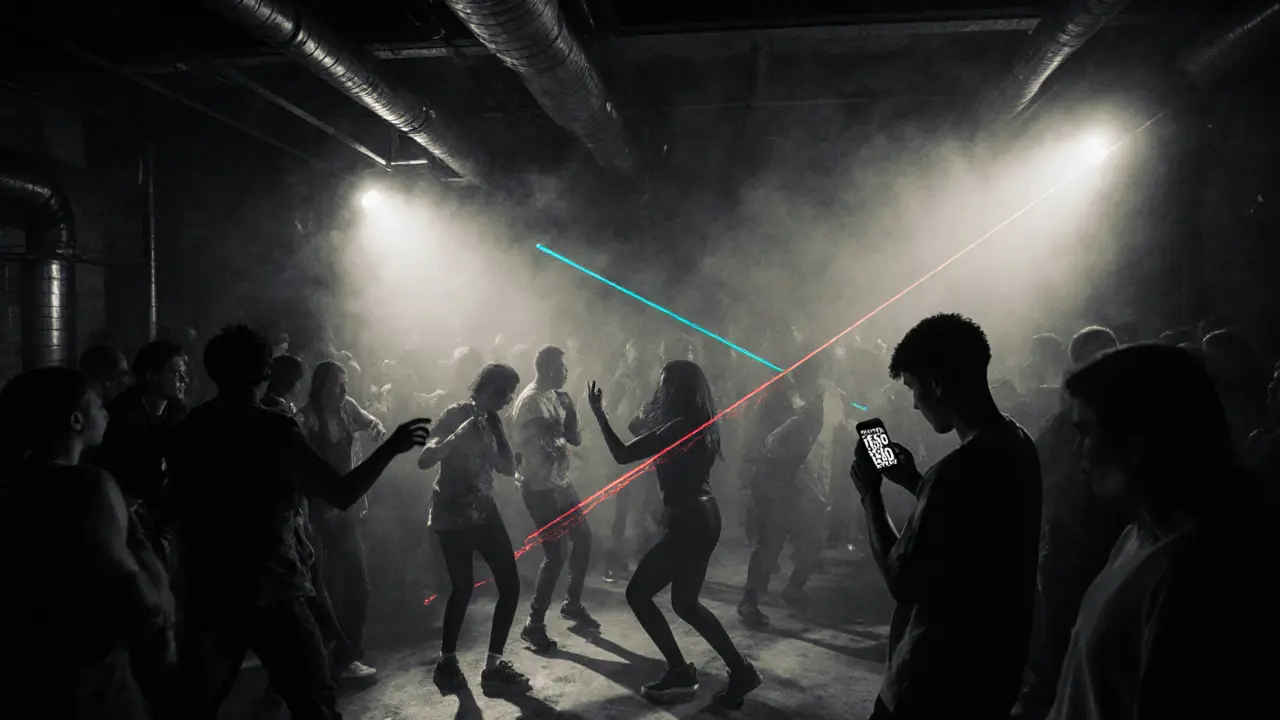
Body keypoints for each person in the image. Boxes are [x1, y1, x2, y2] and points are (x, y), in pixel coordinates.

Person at [168, 325, 429, 720]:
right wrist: (391, 447)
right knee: (314, 702)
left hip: (209, 587)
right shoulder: (272, 428)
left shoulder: (190, 427)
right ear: (264, 372)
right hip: (270, 585)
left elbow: (175, 504)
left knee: (194, 706)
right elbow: (339, 493)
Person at [1047, 344, 1272, 718]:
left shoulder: (1196, 573)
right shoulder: (1137, 536)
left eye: (1087, 431)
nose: (1078, 448)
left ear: (1136, 443)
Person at [850, 313, 1041, 719]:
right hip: (993, 671)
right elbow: (971, 525)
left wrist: (871, 495)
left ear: (936, 383)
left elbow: (902, 580)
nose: (915, 402)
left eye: (914, 388)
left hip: (931, 680)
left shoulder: (955, 470)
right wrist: (914, 481)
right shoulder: (1018, 442)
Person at [0, 367, 173, 720]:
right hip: (91, 675)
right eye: (98, 407)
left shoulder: (16, 483)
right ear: (76, 420)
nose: (107, 412)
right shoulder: (87, 486)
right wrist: (160, 639)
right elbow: (123, 578)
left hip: (26, 668)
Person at [587, 360, 762, 708]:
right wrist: (648, 405)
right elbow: (641, 427)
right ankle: (741, 671)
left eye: (664, 384)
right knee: (685, 603)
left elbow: (623, 453)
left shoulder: (679, 427)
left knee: (638, 593)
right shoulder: (698, 423)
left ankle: (680, 671)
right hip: (703, 516)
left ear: (677, 389)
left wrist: (599, 413)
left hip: (689, 523)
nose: (659, 388)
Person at [1015, 326, 1126, 719]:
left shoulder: (1085, 418)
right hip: (1069, 545)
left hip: (1090, 545)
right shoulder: (1066, 419)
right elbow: (1043, 475)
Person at [419, 362, 531, 697]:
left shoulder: (494, 420)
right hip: (452, 515)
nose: (508, 401)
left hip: (483, 512)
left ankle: (494, 667)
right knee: (462, 588)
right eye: (506, 394)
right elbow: (425, 458)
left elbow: (507, 468)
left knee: (510, 585)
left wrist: (505, 441)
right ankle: (447, 662)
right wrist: (456, 437)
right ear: (489, 388)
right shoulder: (455, 413)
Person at [299, 360, 387, 683]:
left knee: (357, 588)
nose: (346, 390)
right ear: (323, 387)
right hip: (320, 516)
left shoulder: (347, 408)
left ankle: (345, 655)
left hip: (347, 510)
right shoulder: (306, 419)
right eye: (339, 385)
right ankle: (333, 659)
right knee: (328, 589)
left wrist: (376, 427)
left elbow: (371, 421)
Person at [511, 346, 598, 653]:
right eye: (562, 367)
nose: (566, 372)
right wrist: (567, 413)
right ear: (548, 369)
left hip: (561, 483)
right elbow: (553, 430)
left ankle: (572, 603)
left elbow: (573, 438)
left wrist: (570, 408)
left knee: (584, 539)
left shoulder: (553, 396)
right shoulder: (531, 400)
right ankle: (533, 624)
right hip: (540, 489)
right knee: (556, 553)